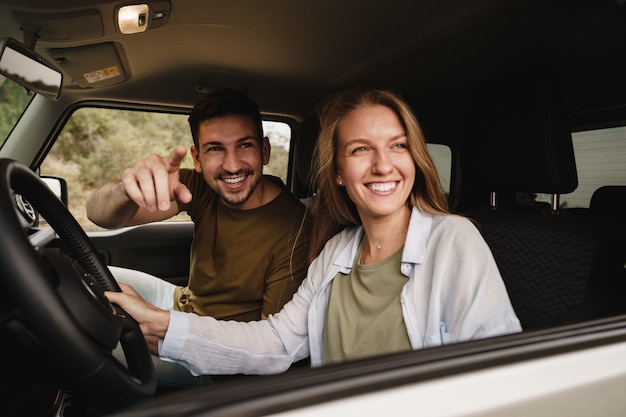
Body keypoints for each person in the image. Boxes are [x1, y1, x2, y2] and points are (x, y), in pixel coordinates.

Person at [106, 88, 521, 376]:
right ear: (338, 173)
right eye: (361, 149)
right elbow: (277, 343)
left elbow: (501, 378)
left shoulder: (455, 240)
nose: (382, 165)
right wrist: (168, 326)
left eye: (397, 146)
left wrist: (167, 329)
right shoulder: (338, 251)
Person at [87, 89, 311, 381]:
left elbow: (267, 347)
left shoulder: (295, 230)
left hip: (208, 349)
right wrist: (127, 191)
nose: (232, 165)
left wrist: (168, 330)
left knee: (85, 336)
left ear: (264, 151)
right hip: (180, 302)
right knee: (84, 279)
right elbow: (99, 214)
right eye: (215, 148)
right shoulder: (204, 187)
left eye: (244, 145)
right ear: (197, 157)